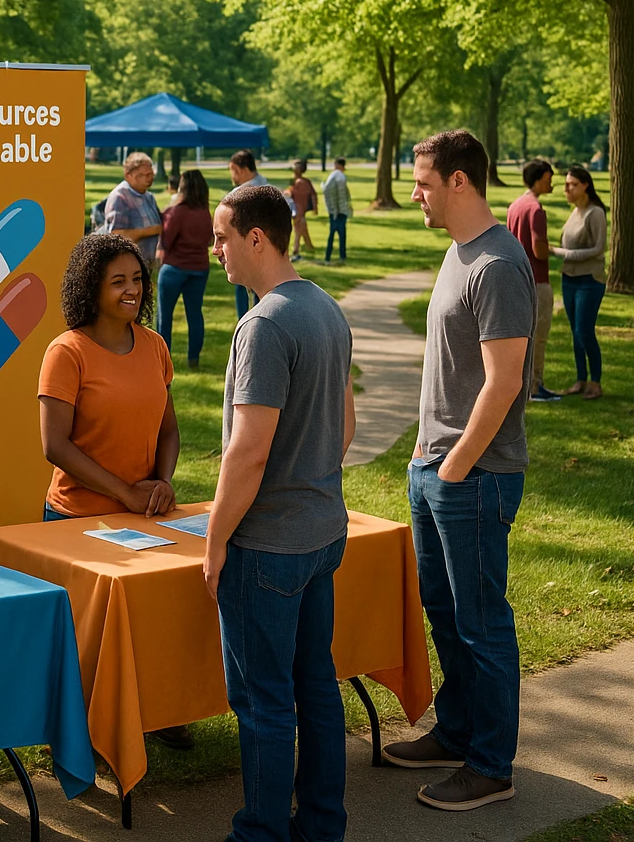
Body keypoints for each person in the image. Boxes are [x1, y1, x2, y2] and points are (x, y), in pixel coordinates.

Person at [383, 130, 533, 811]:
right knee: (444, 613)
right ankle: (458, 728)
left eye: (422, 181)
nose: (414, 191)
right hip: (435, 466)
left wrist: (454, 466)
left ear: (459, 183)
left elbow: (504, 381)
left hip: (472, 476)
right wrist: (425, 456)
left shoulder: (497, 264)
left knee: (481, 623)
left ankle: (490, 764)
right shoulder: (457, 252)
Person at [204, 184, 357, 842]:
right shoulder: (325, 307)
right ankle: (321, 826)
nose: (216, 251)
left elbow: (246, 454)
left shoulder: (263, 325)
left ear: (256, 238)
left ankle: (260, 833)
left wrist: (214, 543)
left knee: (265, 700)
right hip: (323, 531)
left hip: (268, 547)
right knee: (316, 687)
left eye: (222, 237)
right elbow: (345, 426)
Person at [40, 232, 191, 748]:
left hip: (144, 516)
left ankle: (160, 712)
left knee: (155, 624)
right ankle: (86, 734)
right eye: (118, 281)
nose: (132, 290)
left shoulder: (154, 345)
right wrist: (124, 493)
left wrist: (162, 483)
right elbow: (55, 445)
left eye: (137, 279)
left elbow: (168, 429)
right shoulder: (67, 351)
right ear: (92, 288)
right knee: (91, 640)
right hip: (78, 519)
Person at [506, 160, 559, 401]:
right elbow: (539, 249)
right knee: (539, 335)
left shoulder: (515, 206)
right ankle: (535, 386)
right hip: (537, 279)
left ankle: (520, 384)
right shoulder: (535, 209)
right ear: (538, 179)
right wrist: (556, 250)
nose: (551, 183)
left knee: (522, 335)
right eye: (548, 178)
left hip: (518, 279)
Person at [554, 165, 607, 400]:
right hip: (569, 279)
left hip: (589, 281)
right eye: (566, 185)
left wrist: (559, 252)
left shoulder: (595, 213)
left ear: (585, 185)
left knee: (584, 331)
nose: (567, 189)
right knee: (575, 333)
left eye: (572, 184)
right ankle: (580, 380)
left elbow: (598, 249)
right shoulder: (574, 212)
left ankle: (595, 382)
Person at [225, 150, 294, 315]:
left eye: (233, 171)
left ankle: (245, 322)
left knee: (243, 293)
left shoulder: (236, 196)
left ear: (241, 169)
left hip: (244, 253)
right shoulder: (273, 191)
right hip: (271, 254)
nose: (232, 176)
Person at [158, 169, 214, 369]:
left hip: (174, 267)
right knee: (195, 314)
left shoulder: (178, 211)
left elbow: (166, 240)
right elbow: (209, 240)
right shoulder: (205, 212)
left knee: (165, 316)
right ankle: (193, 359)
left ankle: (163, 360)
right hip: (199, 268)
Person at [104, 152, 164, 267]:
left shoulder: (148, 196)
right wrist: (151, 230)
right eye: (141, 175)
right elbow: (116, 236)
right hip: (126, 265)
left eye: (150, 174)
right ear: (128, 175)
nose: (148, 179)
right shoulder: (120, 197)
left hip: (146, 264)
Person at [322, 158, 354, 264]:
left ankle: (329, 256)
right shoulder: (339, 176)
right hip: (340, 211)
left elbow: (333, 192)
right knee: (340, 234)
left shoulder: (336, 175)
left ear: (339, 165)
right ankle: (341, 256)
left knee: (333, 234)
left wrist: (335, 209)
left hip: (337, 211)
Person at [287, 160, 318, 261]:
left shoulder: (300, 182)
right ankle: (309, 245)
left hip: (298, 208)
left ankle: (296, 249)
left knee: (298, 227)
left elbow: (297, 196)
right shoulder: (303, 181)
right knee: (301, 227)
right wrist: (314, 207)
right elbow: (313, 194)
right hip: (299, 209)